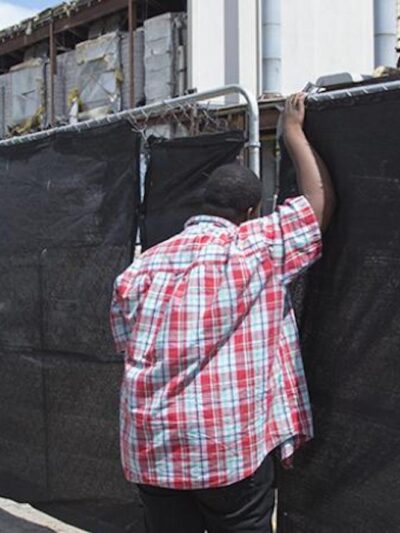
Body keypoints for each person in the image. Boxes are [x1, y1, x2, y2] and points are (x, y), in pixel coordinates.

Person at [110, 93, 336, 533]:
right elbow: (318, 205)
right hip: (225, 450)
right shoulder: (255, 249)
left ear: (203, 205)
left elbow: (126, 343)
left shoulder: (141, 268)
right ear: (250, 213)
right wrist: (291, 131)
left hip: (151, 448)